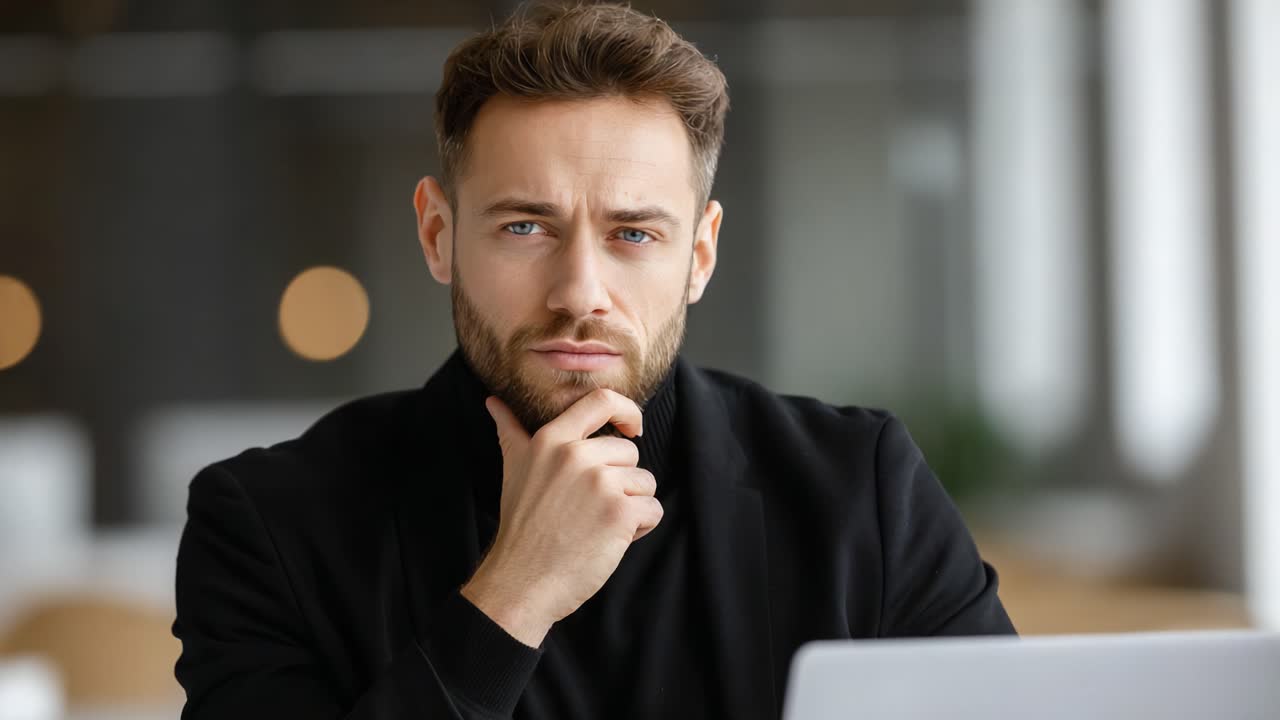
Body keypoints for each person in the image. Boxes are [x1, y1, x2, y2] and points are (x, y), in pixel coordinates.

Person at [171, 3, 1016, 719]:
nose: (580, 290)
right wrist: (512, 597)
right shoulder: (268, 525)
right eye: (525, 227)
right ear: (439, 235)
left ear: (700, 254)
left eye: (634, 234)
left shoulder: (861, 496)